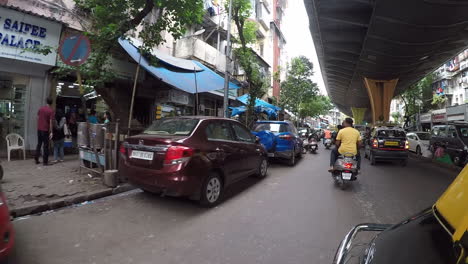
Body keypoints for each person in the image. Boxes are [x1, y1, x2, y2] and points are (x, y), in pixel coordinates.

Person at [35, 97, 54, 165]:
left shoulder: (41, 109)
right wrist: (51, 131)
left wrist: (39, 126)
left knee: (39, 144)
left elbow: (37, 118)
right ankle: (45, 162)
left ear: (46, 101)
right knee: (46, 146)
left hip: (39, 129)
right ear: (51, 103)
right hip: (45, 130)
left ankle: (36, 159)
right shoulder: (51, 111)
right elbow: (51, 122)